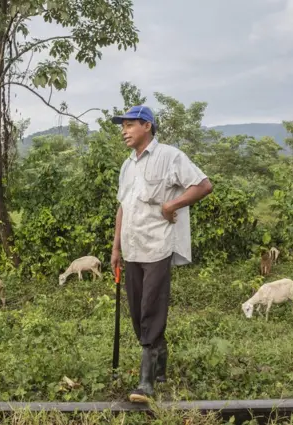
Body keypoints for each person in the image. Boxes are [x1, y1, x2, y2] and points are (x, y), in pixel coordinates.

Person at [110, 105, 213, 403]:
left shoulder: (170, 156)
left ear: (147, 126)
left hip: (157, 246)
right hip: (132, 248)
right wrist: (116, 247)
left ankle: (146, 384)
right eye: (123, 125)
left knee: (151, 309)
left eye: (129, 125)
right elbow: (122, 207)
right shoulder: (127, 165)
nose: (123, 131)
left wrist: (171, 206)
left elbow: (204, 185)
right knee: (137, 311)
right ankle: (160, 364)